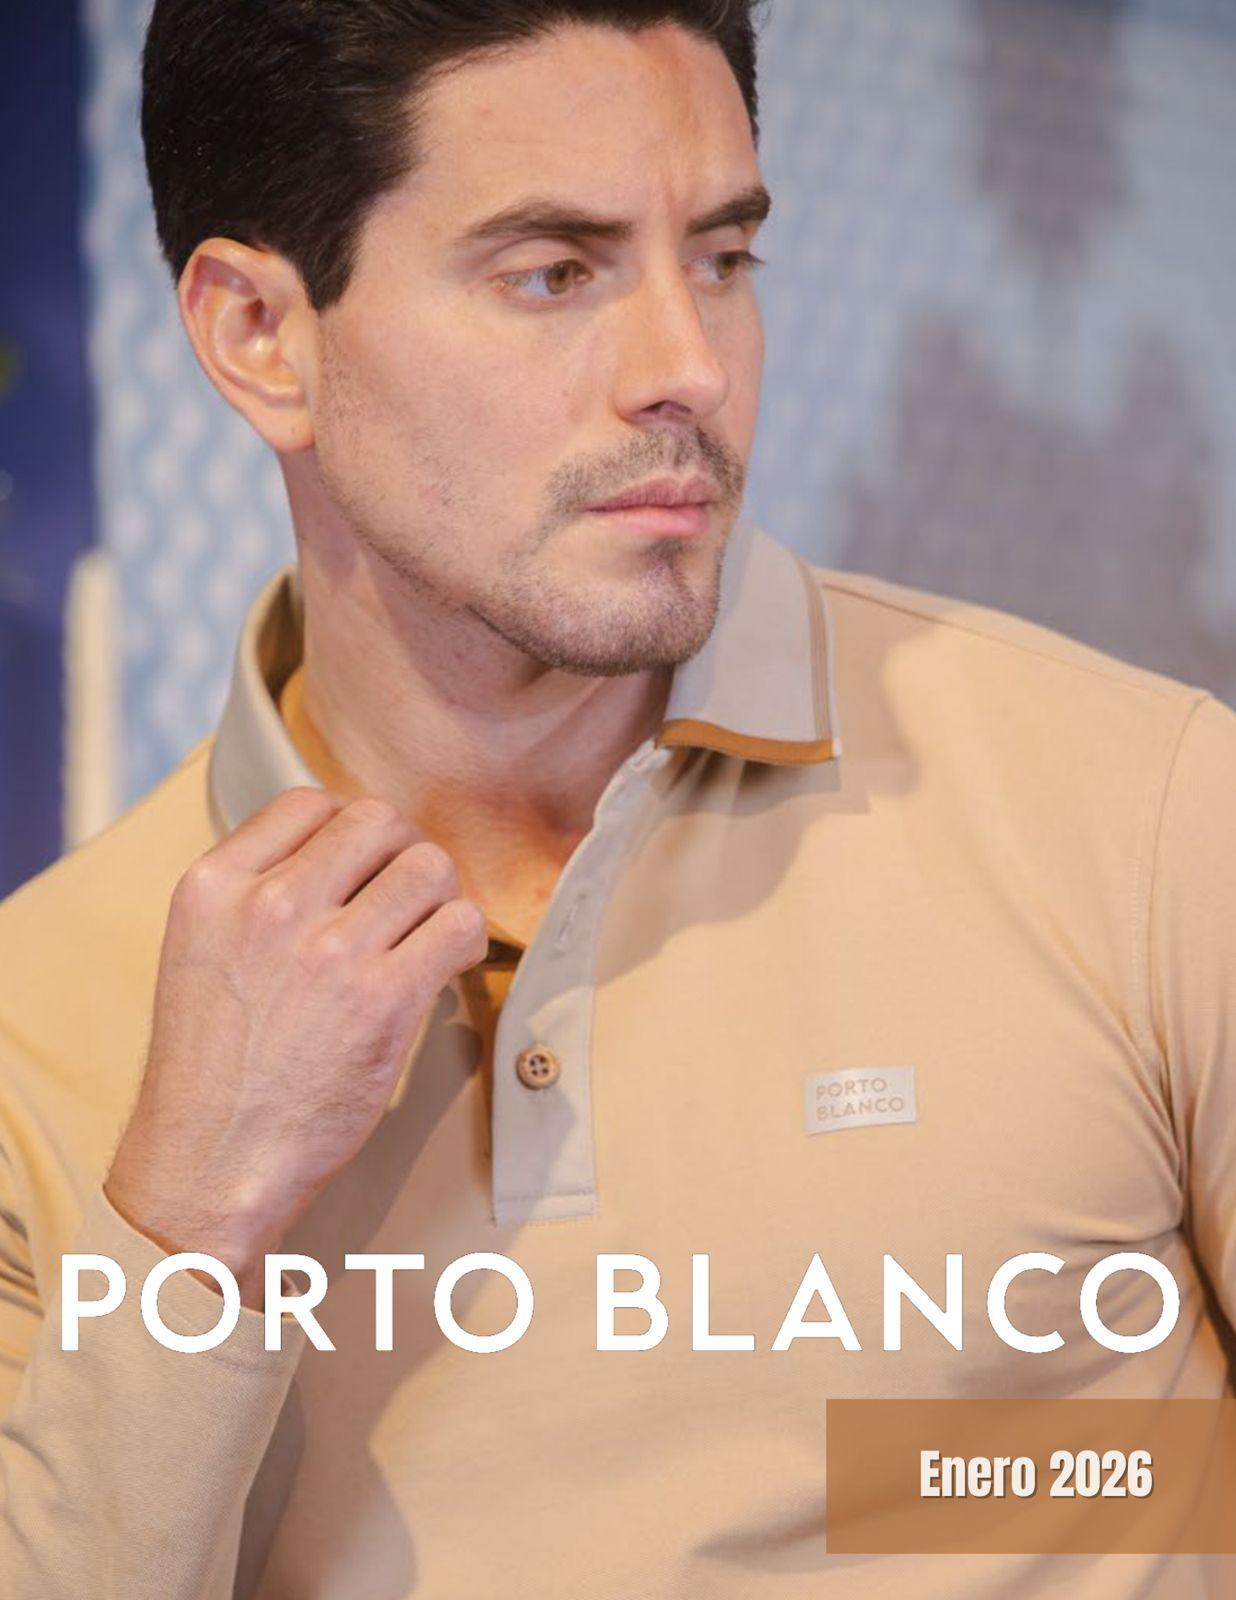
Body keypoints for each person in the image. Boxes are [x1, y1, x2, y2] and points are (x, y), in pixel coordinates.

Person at [1, 2, 1234, 1596]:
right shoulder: (35, 1027)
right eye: (554, 273)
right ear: (259, 335)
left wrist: (992, 1483)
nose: (688, 369)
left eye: (721, 258)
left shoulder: (1143, 811)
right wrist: (188, 1225)